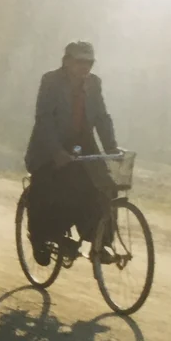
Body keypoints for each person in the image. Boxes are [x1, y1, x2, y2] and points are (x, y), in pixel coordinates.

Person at [24, 41, 119, 266]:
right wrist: (56, 151)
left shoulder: (94, 84)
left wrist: (112, 147)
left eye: (89, 63)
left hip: (80, 145)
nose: (85, 67)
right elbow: (44, 119)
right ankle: (43, 238)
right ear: (67, 62)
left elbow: (101, 118)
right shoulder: (51, 81)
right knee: (51, 188)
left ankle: (101, 241)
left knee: (104, 186)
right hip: (51, 145)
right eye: (80, 62)